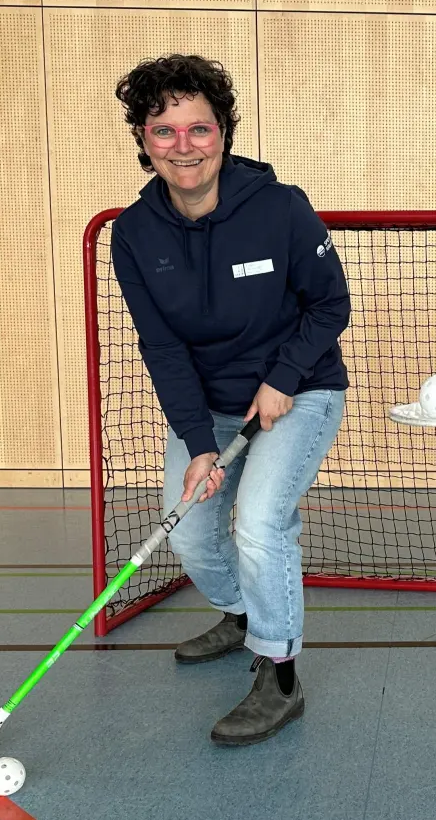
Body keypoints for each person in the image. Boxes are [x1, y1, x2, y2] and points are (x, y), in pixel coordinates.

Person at [109, 54, 351, 745]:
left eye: (199, 129)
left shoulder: (279, 207)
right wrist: (199, 442)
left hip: (298, 392)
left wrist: (281, 379)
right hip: (209, 406)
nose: (184, 147)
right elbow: (163, 348)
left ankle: (278, 674)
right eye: (164, 131)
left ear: (224, 133)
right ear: (144, 139)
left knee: (260, 523)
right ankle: (244, 612)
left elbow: (330, 304)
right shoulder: (134, 234)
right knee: (186, 528)